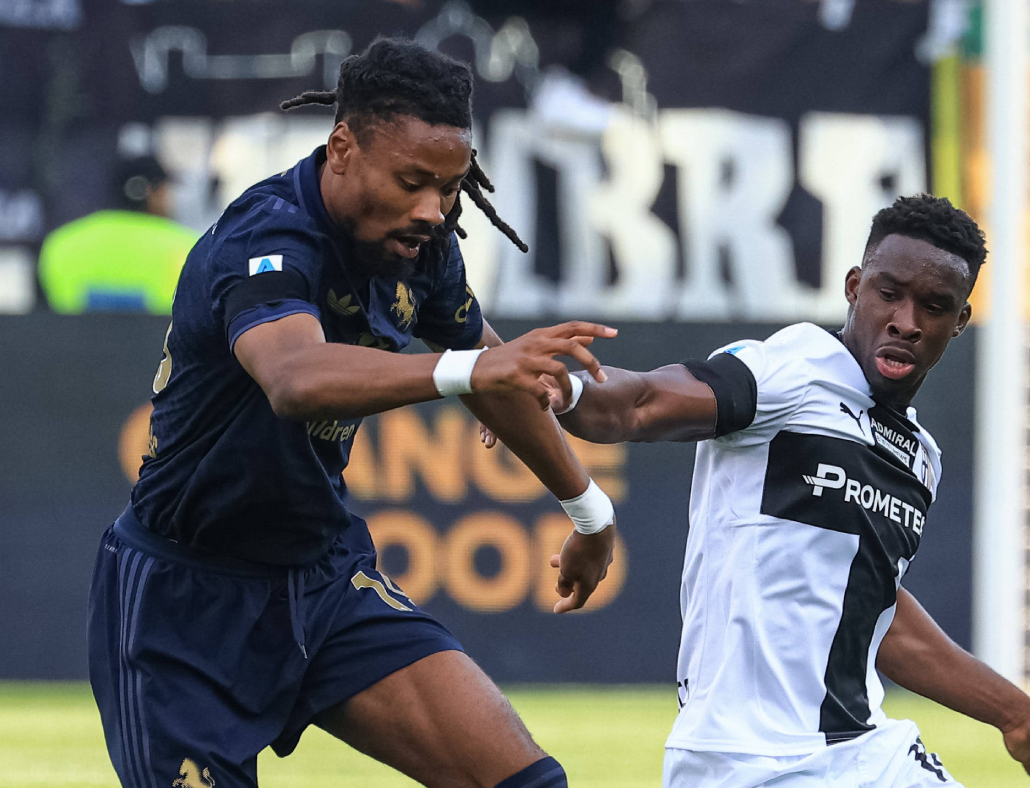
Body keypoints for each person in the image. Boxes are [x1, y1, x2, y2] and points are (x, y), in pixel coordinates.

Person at [88, 38, 618, 788]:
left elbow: (499, 378)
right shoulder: (266, 234)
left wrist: (590, 513)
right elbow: (294, 378)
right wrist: (468, 369)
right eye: (412, 182)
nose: (432, 210)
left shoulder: (423, 246)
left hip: (324, 581)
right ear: (342, 147)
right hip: (186, 600)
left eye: (450, 187)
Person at [550, 195, 1030, 788]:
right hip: (745, 762)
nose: (906, 322)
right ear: (854, 288)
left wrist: (1016, 713)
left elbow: (875, 613)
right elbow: (637, 403)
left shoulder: (919, 459)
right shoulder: (789, 372)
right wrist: (565, 390)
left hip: (865, 751)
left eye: (934, 306)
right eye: (889, 293)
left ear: (959, 321)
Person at [38, 155, 200, 313]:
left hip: (75, 332)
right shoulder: (190, 248)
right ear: (152, 194)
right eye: (166, 191)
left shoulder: (61, 243)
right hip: (162, 332)